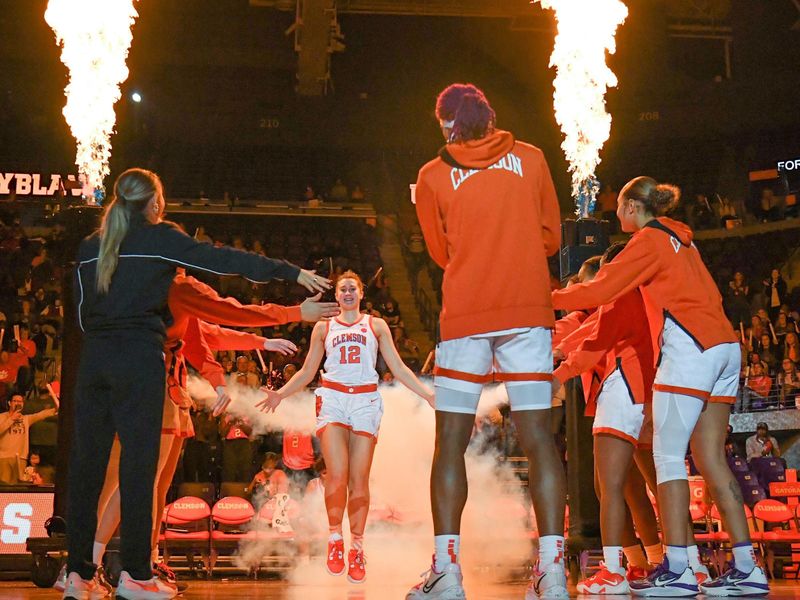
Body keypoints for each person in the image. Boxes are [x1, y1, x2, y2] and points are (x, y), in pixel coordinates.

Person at [63, 168, 330, 600]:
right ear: (155, 203)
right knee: (138, 470)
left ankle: (76, 575)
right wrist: (290, 272)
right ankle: (135, 575)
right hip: (139, 359)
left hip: (93, 360)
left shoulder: (91, 247)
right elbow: (223, 259)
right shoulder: (160, 237)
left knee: (87, 468)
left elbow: (79, 313)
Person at [551, 176, 768, 596]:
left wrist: (546, 299)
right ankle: (746, 568)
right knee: (710, 459)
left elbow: (599, 291)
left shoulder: (647, 240)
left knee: (666, 459)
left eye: (619, 207)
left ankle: (679, 570)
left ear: (634, 206)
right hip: (725, 345)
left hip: (690, 348)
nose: (616, 214)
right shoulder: (684, 240)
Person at [408, 83, 564, 600]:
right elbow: (552, 239)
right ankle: (555, 573)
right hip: (528, 311)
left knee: (450, 443)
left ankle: (447, 575)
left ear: (447, 123)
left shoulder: (431, 175)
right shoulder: (533, 157)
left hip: (466, 315)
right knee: (540, 441)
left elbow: (438, 252)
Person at [258, 271, 434, 585]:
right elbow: (308, 370)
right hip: (334, 398)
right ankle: (335, 539)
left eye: (353, 288)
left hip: (366, 400)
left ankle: (357, 547)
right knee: (336, 474)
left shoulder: (376, 325)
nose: (348, 293)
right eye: (343, 289)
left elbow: (398, 366)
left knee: (359, 479)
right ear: (337, 296)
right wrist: (281, 393)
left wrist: (427, 394)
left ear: (361, 293)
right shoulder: (323, 328)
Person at [552, 243, 662, 594]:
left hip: (628, 391)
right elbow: (578, 335)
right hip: (639, 392)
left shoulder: (619, 300)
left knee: (622, 485)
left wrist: (555, 370)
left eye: (586, 285)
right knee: (633, 485)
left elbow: (587, 341)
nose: (582, 292)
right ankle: (652, 562)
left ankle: (624, 566)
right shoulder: (622, 303)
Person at [0, 394, 57, 484]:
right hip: (4, 458)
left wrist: (55, 409)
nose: (18, 403)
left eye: (20, 401)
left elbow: (40, 415)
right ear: (9, 403)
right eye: (15, 401)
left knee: (18, 487)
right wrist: (11, 419)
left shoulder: (26, 419)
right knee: (4, 486)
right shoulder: (2, 417)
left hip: (20, 458)